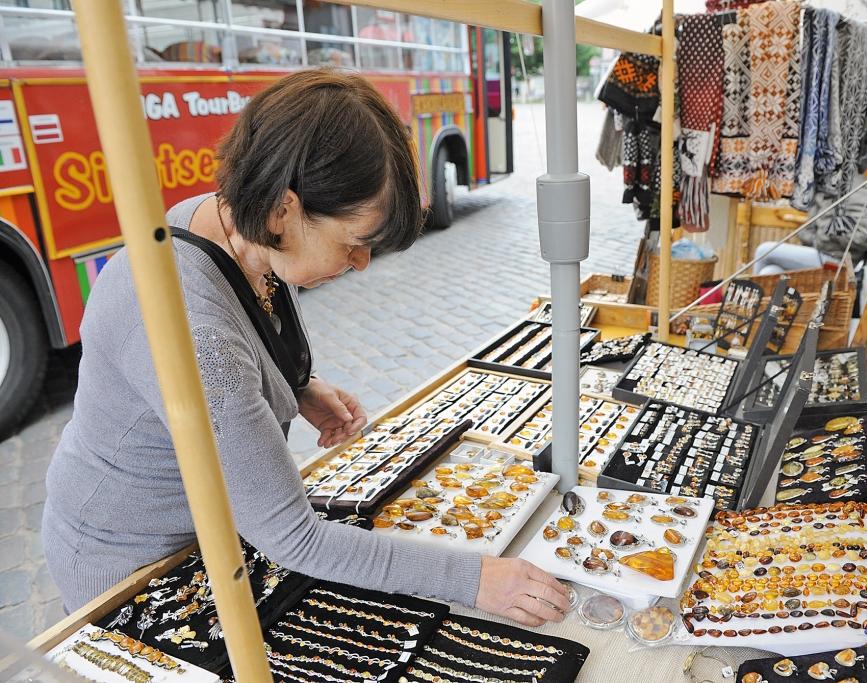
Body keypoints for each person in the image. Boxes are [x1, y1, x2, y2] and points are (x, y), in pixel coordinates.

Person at [42, 69, 569, 626]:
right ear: (282, 209)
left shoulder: (234, 227)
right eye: (354, 243)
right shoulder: (194, 330)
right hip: (132, 566)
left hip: (214, 531)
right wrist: (473, 578)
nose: (362, 264)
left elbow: (244, 337)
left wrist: (295, 387)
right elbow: (294, 537)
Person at [753, 176, 867, 275]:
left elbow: (866, 236)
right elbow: (810, 230)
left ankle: (747, 302)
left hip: (838, 262)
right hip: (820, 252)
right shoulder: (826, 186)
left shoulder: (859, 189)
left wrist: (830, 229)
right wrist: (816, 237)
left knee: (764, 251)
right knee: (770, 272)